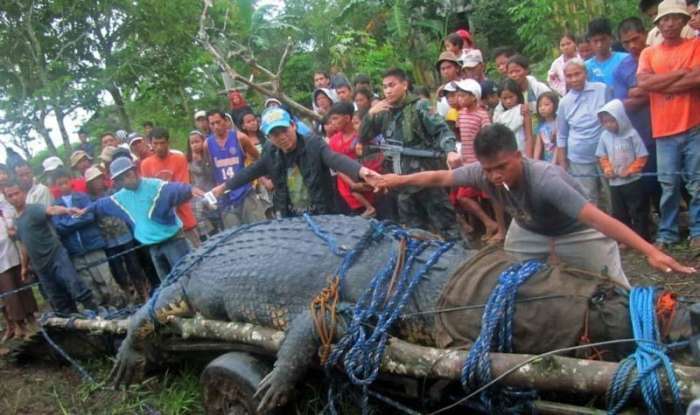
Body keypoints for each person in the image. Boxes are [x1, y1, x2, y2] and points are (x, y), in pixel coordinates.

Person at [372, 124, 697, 287]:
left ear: (518, 155)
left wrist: (650, 251)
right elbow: (438, 178)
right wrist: (393, 180)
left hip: (577, 232)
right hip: (527, 231)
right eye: (488, 170)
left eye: (502, 166)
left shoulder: (546, 180)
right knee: (512, 280)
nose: (495, 176)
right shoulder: (482, 173)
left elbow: (600, 220)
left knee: (616, 290)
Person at [210, 107, 378, 217]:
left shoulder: (313, 144)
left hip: (323, 213)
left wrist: (362, 171)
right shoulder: (270, 151)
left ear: (293, 126)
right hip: (291, 216)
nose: (282, 137)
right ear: (268, 137)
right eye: (275, 134)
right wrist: (224, 187)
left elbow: (335, 159)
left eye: (284, 130)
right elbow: (251, 171)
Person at [359, 68, 464, 243]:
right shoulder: (383, 112)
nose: (388, 91)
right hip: (401, 184)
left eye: (392, 85)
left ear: (405, 85)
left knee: (449, 229)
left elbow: (442, 130)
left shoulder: (420, 106)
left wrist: (450, 150)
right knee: (414, 235)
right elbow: (363, 137)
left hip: (427, 179)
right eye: (384, 87)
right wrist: (370, 114)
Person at [637, 0, 700, 248]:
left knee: (697, 183)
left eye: (675, 18)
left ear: (684, 21)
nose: (670, 23)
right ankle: (668, 232)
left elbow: (697, 78)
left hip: (693, 126)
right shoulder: (649, 52)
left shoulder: (695, 45)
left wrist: (660, 82)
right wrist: (679, 75)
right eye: (665, 19)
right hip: (663, 130)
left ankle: (697, 232)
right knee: (668, 184)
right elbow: (643, 83)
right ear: (658, 23)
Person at [81, 157, 201, 280]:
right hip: (153, 247)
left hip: (173, 241)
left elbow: (175, 189)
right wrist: (86, 210)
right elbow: (101, 204)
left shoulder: (155, 185)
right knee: (168, 284)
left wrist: (190, 190)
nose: (126, 181)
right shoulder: (120, 197)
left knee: (188, 277)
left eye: (128, 175)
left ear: (135, 171)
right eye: (120, 179)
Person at [4, 181, 97, 314]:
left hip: (56, 256)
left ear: (23, 193)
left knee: (76, 287)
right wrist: (24, 267)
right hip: (40, 266)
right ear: (7, 199)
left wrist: (67, 210)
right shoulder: (16, 221)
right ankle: (73, 326)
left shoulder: (34, 209)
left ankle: (96, 314)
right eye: (10, 195)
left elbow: (51, 210)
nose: (14, 198)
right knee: (58, 299)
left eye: (17, 193)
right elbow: (24, 245)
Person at [50, 168, 125, 307]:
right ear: (56, 186)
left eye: (65, 182)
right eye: (60, 184)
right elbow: (58, 227)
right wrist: (78, 218)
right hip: (75, 251)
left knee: (106, 278)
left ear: (70, 181)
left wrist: (70, 222)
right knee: (89, 284)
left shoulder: (82, 197)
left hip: (93, 245)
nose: (63, 186)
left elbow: (90, 216)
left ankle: (120, 305)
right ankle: (102, 312)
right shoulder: (55, 206)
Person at [613, 17, 659, 221]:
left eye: (635, 38)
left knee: (681, 177)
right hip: (643, 133)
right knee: (652, 182)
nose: (632, 45)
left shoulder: (660, 54)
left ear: (644, 33)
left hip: (671, 126)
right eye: (626, 42)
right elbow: (623, 104)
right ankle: (664, 223)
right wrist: (656, 89)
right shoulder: (622, 68)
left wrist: (640, 91)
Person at [84, 166, 150, 302]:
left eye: (99, 179)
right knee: (117, 269)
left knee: (134, 265)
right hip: (107, 240)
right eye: (93, 181)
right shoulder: (89, 200)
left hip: (125, 234)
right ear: (89, 184)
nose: (97, 183)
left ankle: (143, 292)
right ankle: (128, 295)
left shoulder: (114, 192)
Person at [453, 79, 505, 242]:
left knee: (492, 196)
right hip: (467, 163)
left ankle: (502, 230)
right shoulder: (461, 115)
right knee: (463, 197)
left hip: (482, 163)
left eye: (463, 96)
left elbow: (488, 138)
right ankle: (489, 223)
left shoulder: (482, 115)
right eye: (458, 96)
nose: (459, 99)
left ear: (474, 97)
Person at [556, 59, 612, 207]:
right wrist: (563, 163)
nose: (574, 79)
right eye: (569, 76)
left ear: (585, 73)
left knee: (612, 194)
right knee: (588, 198)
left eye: (577, 74)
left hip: (606, 154)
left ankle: (618, 227)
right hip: (578, 157)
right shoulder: (564, 102)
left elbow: (615, 118)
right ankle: (595, 229)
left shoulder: (602, 89)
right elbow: (562, 135)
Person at [595, 99, 650, 241]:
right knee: (620, 213)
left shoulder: (632, 134)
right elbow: (602, 155)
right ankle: (625, 239)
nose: (609, 125)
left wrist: (632, 169)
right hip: (615, 183)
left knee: (637, 210)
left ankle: (641, 238)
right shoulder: (604, 136)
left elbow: (642, 155)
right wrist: (607, 169)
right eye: (605, 122)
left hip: (633, 181)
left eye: (612, 121)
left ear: (620, 118)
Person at [205, 110, 267, 228]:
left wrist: (260, 180)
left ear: (225, 121)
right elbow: (210, 169)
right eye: (212, 124)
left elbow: (258, 159)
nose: (216, 126)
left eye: (218, 122)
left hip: (245, 191)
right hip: (225, 198)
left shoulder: (240, 138)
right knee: (235, 236)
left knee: (259, 229)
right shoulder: (207, 144)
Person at [140, 127, 200, 247]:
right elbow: (148, 194)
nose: (159, 147)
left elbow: (183, 188)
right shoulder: (145, 164)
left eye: (162, 143)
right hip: (163, 224)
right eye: (155, 143)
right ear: (150, 144)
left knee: (198, 253)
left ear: (168, 142)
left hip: (184, 217)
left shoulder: (179, 158)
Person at [0, 182, 37, 341]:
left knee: (24, 288)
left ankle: (33, 322)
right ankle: (21, 327)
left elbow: (14, 223)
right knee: (10, 296)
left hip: (14, 255)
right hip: (1, 264)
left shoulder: (4, 206)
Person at [327, 103, 377, 218]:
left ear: (347, 118)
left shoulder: (361, 137)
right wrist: (353, 184)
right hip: (346, 189)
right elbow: (336, 166)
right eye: (331, 120)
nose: (332, 123)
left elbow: (373, 159)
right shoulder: (333, 141)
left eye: (335, 118)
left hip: (368, 184)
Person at [186, 131, 220, 238]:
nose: (195, 145)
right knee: (198, 213)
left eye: (197, 141)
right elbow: (189, 181)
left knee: (217, 219)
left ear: (203, 141)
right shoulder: (188, 160)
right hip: (199, 194)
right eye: (192, 143)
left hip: (213, 191)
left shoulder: (211, 156)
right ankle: (206, 238)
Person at [493, 79, 534, 156]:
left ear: (518, 95)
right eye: (504, 98)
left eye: (511, 97)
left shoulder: (523, 110)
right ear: (500, 99)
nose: (508, 101)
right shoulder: (498, 115)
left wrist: (529, 157)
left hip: (522, 150)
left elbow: (529, 136)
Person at [585, 18, 629, 87]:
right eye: (595, 41)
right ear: (590, 41)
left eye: (603, 39)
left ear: (611, 38)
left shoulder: (625, 59)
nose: (599, 44)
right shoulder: (586, 67)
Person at [435, 51, 463, 117]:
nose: (446, 71)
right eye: (443, 69)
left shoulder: (466, 85)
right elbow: (441, 114)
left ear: (457, 68)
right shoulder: (441, 92)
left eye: (449, 67)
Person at [534, 92, 559, 162]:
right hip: (547, 160)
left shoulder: (559, 123)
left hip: (558, 160)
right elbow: (538, 145)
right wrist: (535, 162)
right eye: (540, 106)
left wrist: (553, 163)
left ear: (555, 105)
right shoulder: (540, 124)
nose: (542, 108)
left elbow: (558, 145)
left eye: (546, 105)